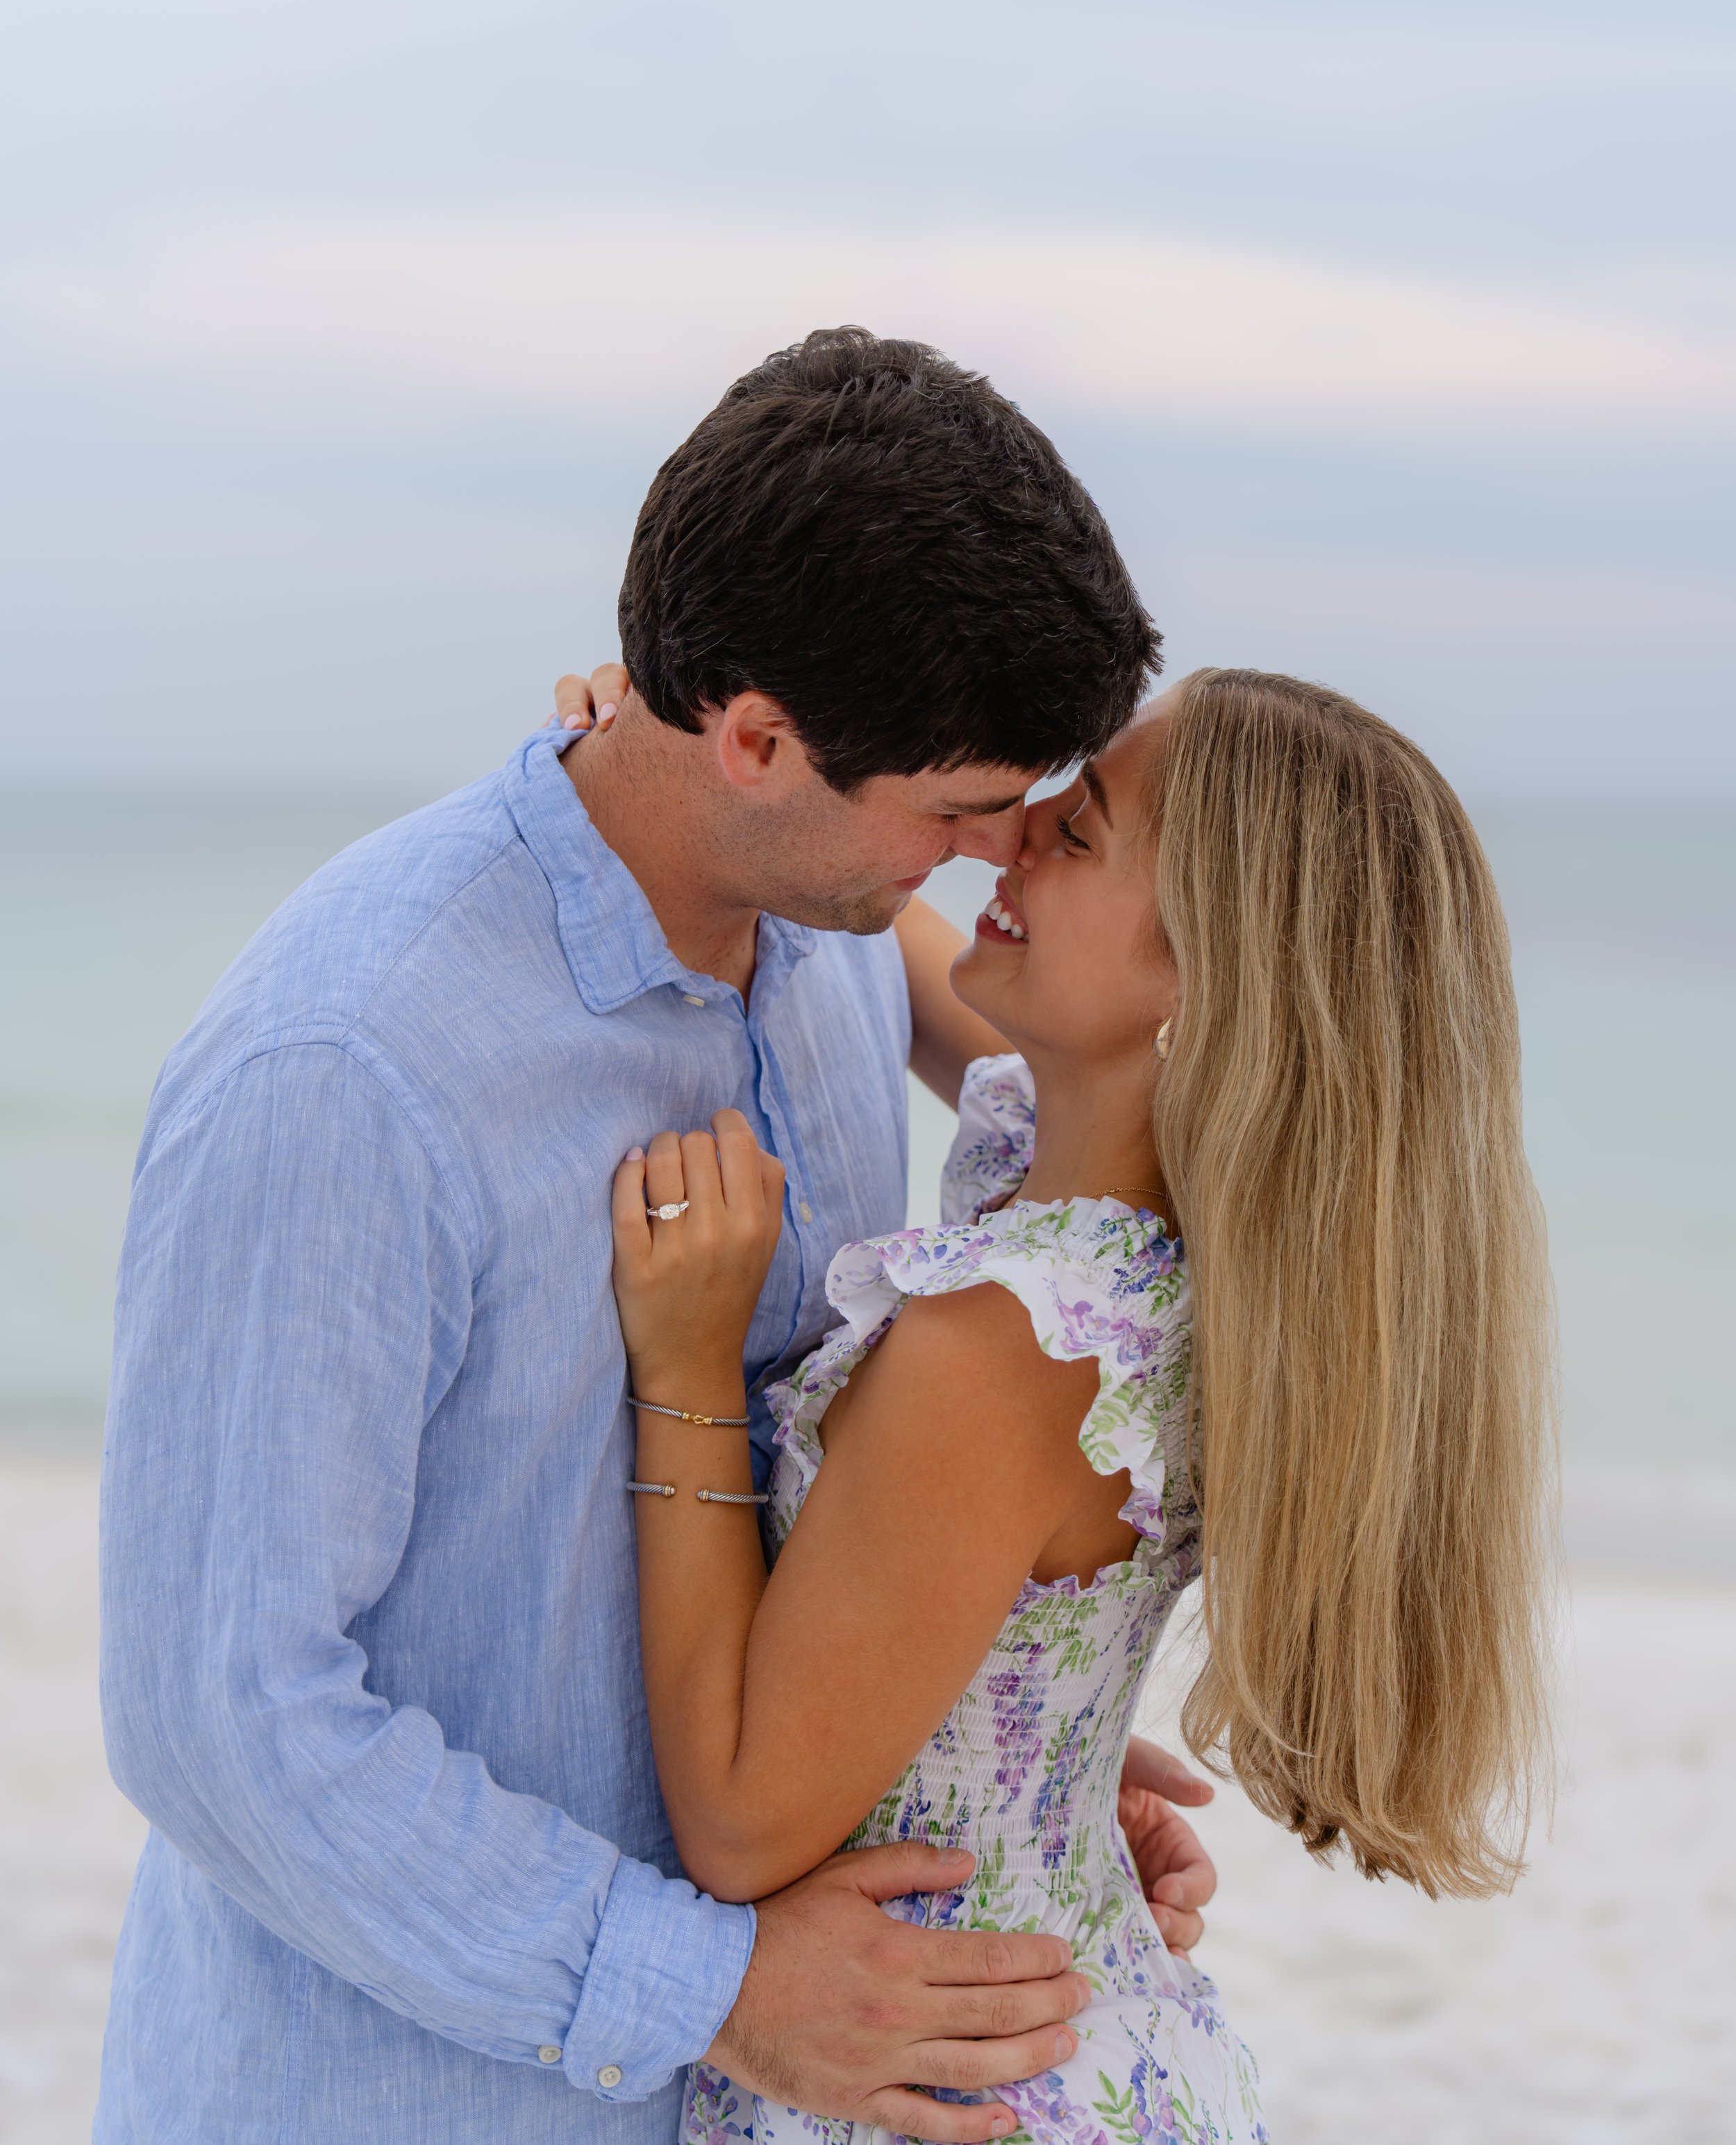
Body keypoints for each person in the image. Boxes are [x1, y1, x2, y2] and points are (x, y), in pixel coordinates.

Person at [96, 328, 1216, 2144]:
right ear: (758, 738)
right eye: (954, 811)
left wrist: (993, 1739)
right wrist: (715, 1990)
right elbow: (225, 1719)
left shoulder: (837, 945)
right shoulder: (350, 1058)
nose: (987, 860)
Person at [606, 668, 1557, 2145]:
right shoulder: (1180, 1238)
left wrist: (681, 1370)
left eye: (1084, 828)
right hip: (1079, 2035)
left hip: (945, 2083)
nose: (1017, 831)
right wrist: (694, 770)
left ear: (1203, 982)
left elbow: (736, 1820)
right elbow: (859, 905)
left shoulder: (1005, 1343)